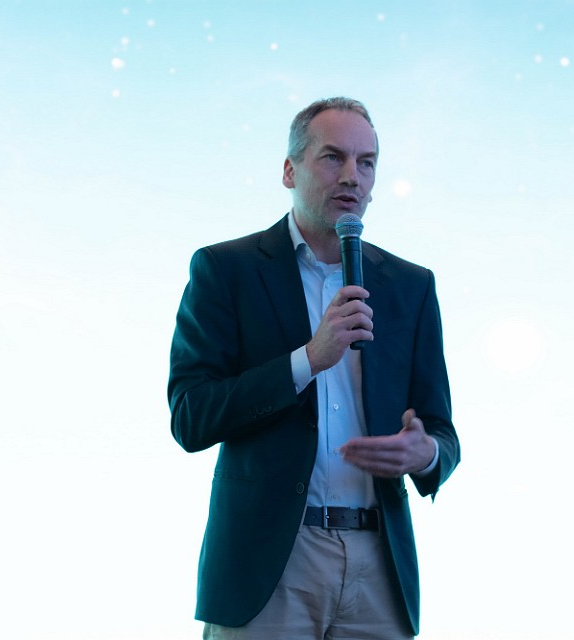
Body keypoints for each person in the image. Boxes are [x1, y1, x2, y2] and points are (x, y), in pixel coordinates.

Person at [167, 96, 461, 639]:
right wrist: (307, 359)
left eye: (366, 162)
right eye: (333, 157)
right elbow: (191, 416)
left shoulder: (410, 286)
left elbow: (442, 433)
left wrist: (426, 455)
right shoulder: (226, 270)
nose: (352, 176)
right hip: (269, 567)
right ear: (289, 170)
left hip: (380, 569)